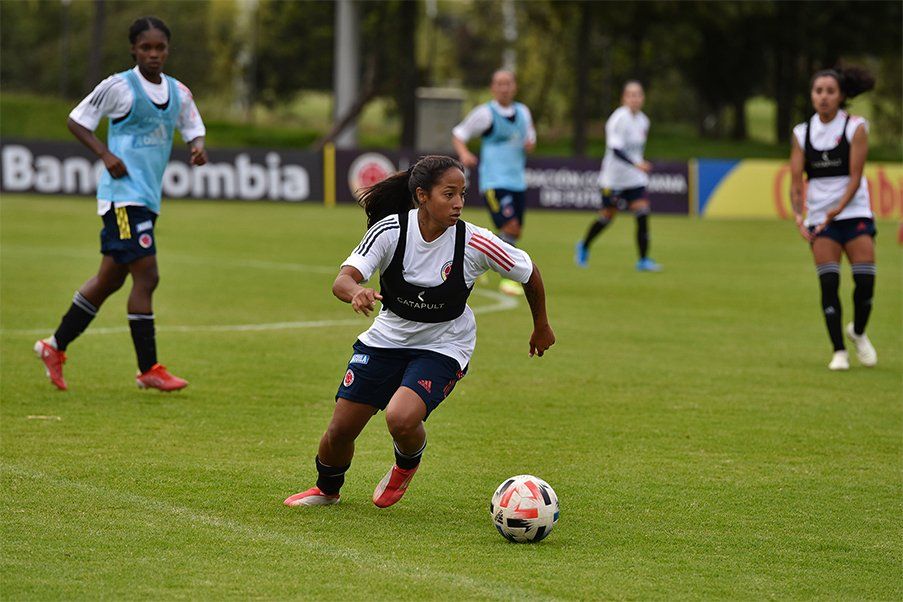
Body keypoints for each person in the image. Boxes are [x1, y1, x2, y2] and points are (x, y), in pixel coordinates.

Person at [284, 155, 555, 508]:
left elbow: (528, 270)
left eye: (462, 194)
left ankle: (406, 463)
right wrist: (357, 292)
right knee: (340, 430)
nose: (458, 203)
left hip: (444, 344)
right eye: (449, 194)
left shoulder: (475, 242)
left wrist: (542, 326)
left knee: (401, 416)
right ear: (422, 196)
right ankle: (327, 490)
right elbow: (343, 280)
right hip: (386, 338)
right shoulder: (390, 231)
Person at [33, 16, 208, 391]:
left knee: (109, 279)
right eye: (146, 47)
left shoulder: (178, 92)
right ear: (133, 49)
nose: (154, 54)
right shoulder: (118, 86)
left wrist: (197, 148)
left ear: (168, 50)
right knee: (148, 275)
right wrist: (104, 154)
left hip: (147, 198)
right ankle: (149, 369)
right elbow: (77, 120)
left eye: (160, 47)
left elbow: (193, 126)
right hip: (122, 199)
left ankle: (53, 346)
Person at [790, 66, 878, 371]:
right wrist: (799, 218)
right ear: (812, 96)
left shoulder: (855, 127)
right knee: (829, 284)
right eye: (818, 91)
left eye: (830, 91)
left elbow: (855, 178)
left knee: (865, 281)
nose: (824, 97)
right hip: (820, 222)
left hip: (853, 213)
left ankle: (858, 331)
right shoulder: (802, 133)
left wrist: (838, 208)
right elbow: (796, 182)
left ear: (841, 96)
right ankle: (839, 351)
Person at [452, 70, 536, 296]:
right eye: (499, 84)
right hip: (494, 181)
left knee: (512, 232)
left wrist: (530, 145)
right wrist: (464, 153)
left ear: (514, 87)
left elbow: (531, 139)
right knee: (511, 227)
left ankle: (473, 258)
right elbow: (459, 133)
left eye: (508, 83)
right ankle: (510, 279)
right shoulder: (485, 114)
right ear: (492, 88)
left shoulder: (523, 112)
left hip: (517, 181)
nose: (504, 88)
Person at [575, 81, 661, 272]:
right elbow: (615, 149)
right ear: (624, 98)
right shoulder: (618, 119)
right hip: (613, 179)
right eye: (631, 95)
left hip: (634, 178)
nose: (635, 98)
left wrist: (637, 166)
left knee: (643, 212)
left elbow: (636, 150)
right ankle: (584, 245)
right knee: (607, 217)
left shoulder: (644, 121)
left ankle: (643, 260)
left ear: (643, 98)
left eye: (638, 94)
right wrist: (637, 164)